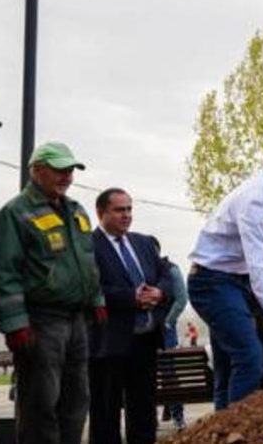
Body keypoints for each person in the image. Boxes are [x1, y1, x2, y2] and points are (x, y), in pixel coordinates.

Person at [0, 142, 107, 444]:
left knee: (77, 401)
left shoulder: (76, 210)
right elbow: (6, 273)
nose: (67, 177)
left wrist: (97, 298)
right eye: (59, 170)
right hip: (42, 321)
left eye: (70, 170)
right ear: (37, 170)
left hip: (77, 320)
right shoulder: (15, 213)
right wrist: (15, 323)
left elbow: (88, 260)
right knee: (40, 402)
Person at [187, 134, 263, 410]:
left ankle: (221, 426)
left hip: (233, 278)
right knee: (250, 357)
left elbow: (257, 250)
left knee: (228, 364)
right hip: (213, 282)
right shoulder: (258, 200)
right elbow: (258, 273)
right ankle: (236, 429)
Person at [87, 188, 170, 444]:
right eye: (119, 210)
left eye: (129, 209)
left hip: (145, 340)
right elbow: (90, 288)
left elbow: (166, 274)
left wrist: (159, 292)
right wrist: (131, 298)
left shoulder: (143, 243)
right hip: (108, 343)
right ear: (101, 213)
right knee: (106, 414)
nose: (126, 215)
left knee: (144, 410)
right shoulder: (88, 246)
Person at [159, 257, 188, 429]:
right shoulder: (170, 269)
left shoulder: (170, 270)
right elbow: (181, 299)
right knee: (168, 373)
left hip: (162, 327)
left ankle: (176, 414)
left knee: (167, 373)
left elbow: (182, 300)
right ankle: (175, 414)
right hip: (160, 328)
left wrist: (167, 322)